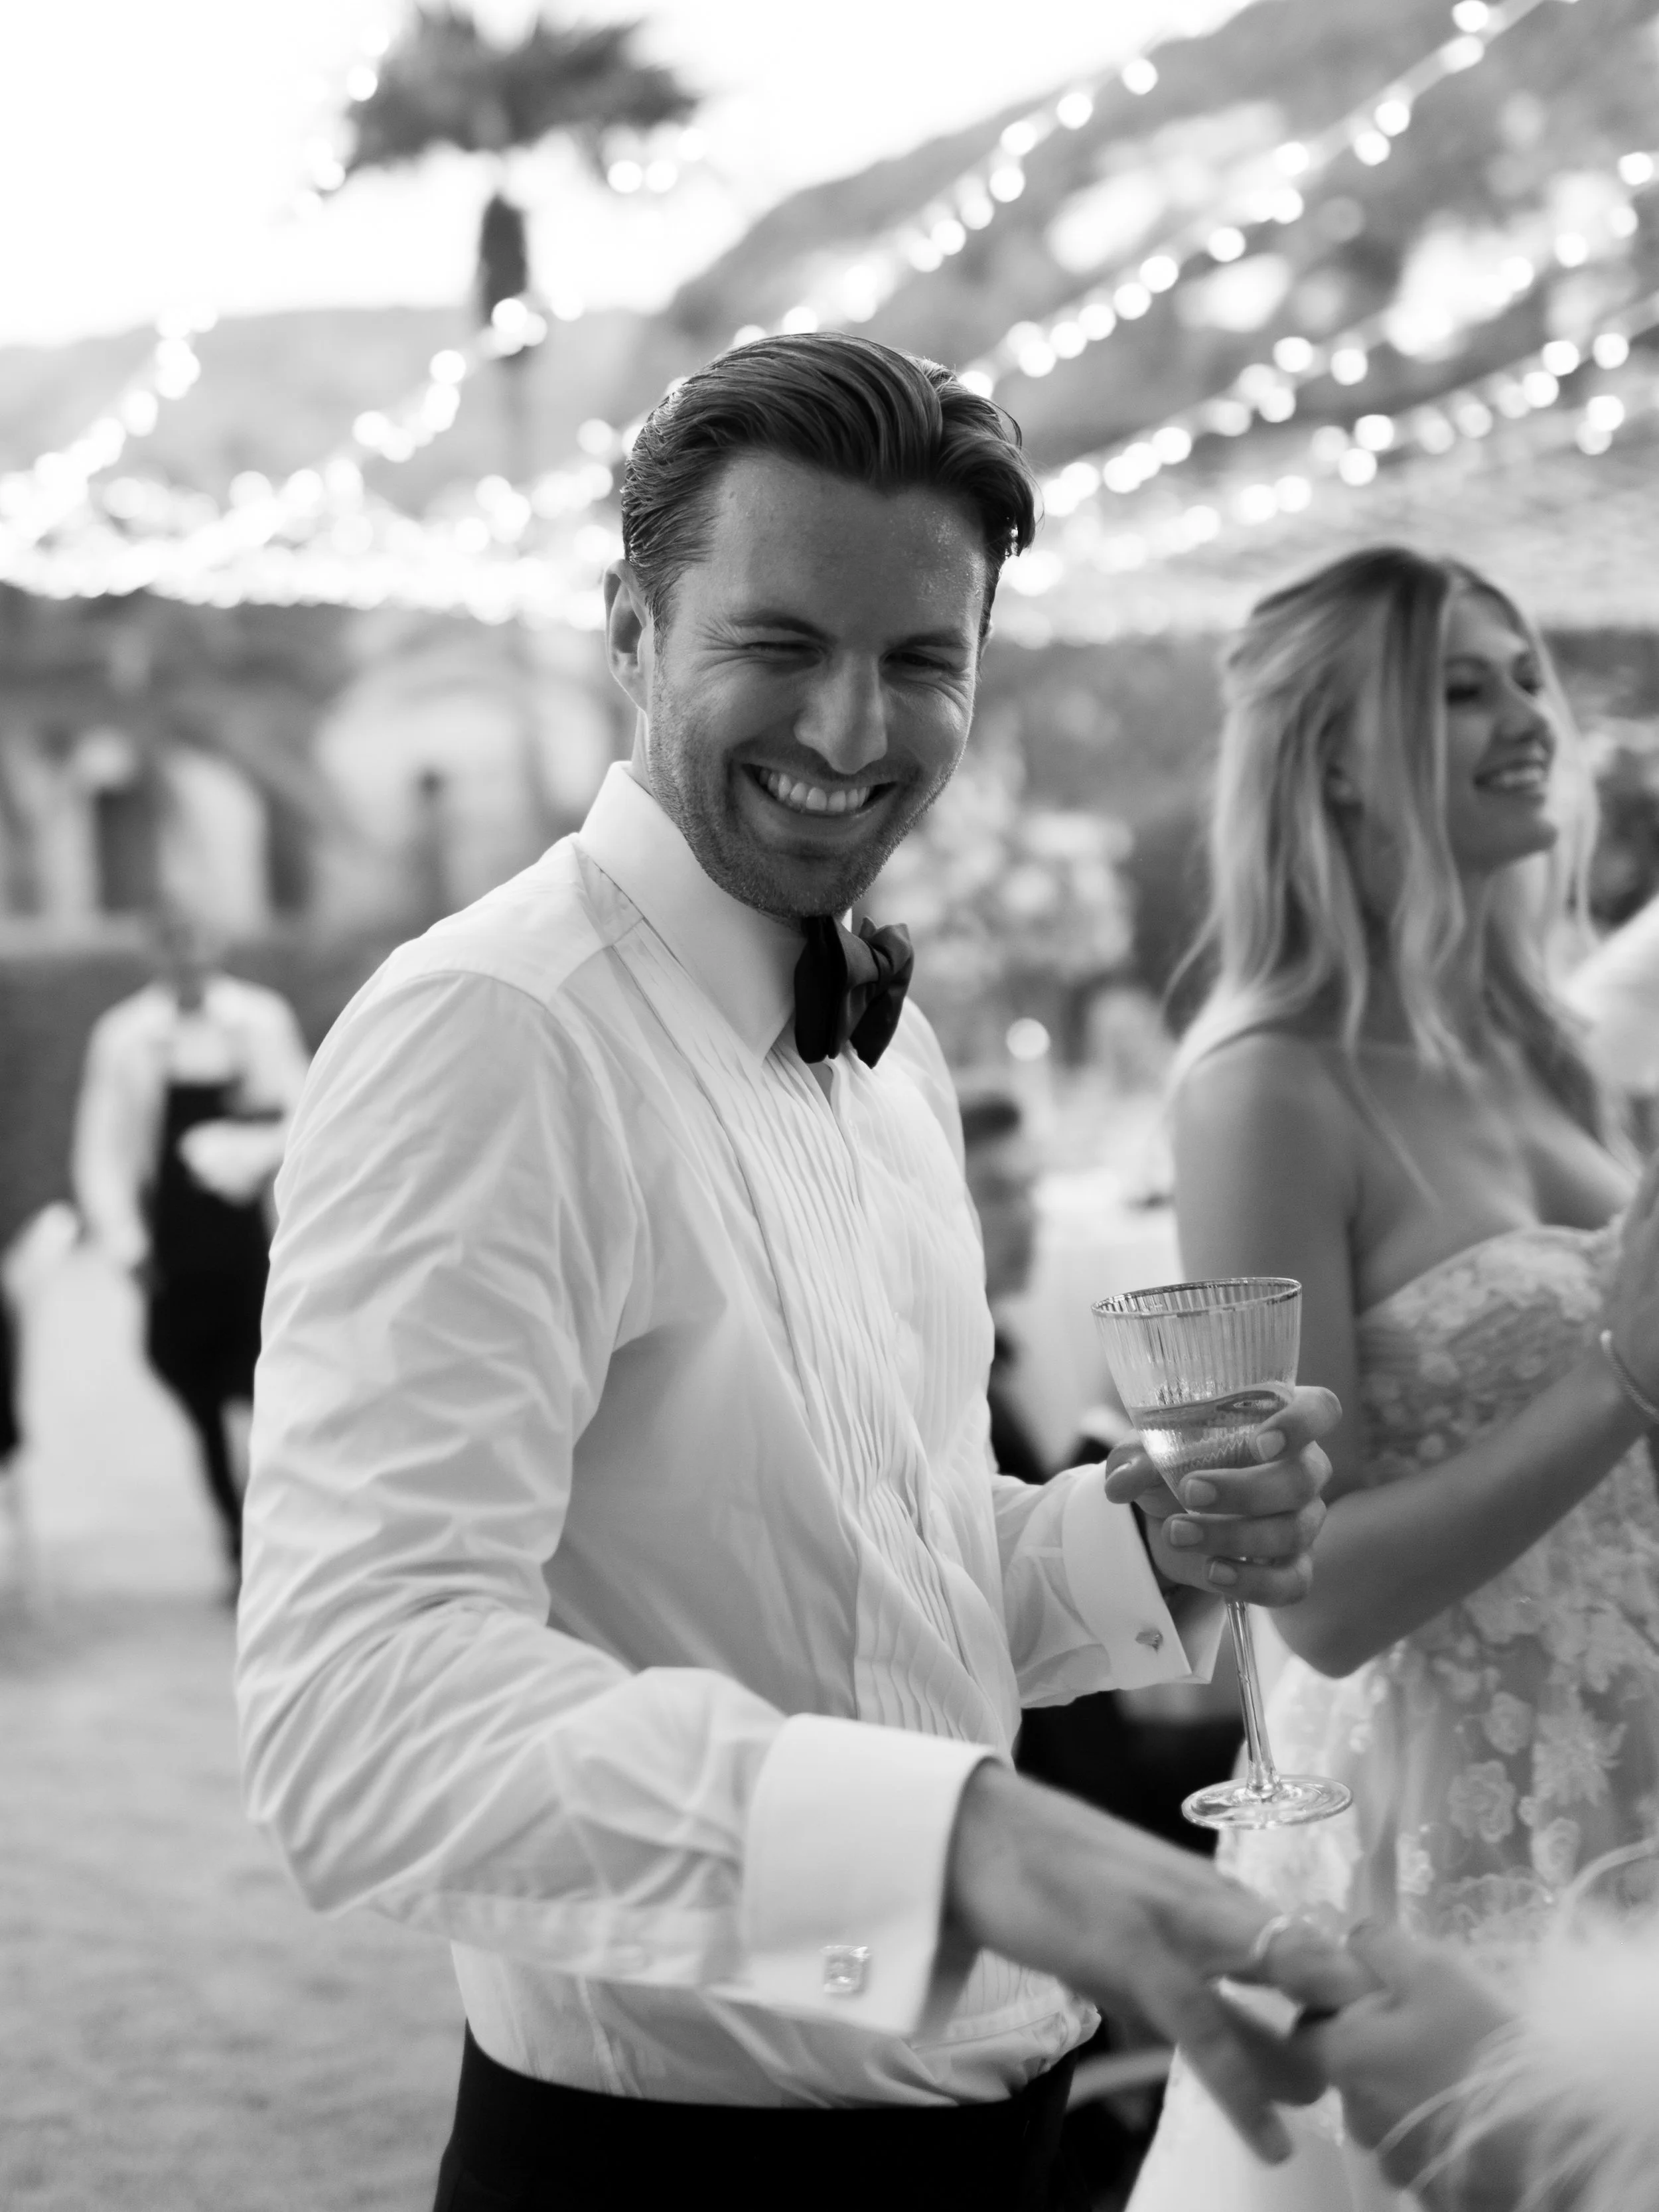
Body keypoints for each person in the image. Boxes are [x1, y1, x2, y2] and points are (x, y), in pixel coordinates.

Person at [235, 334, 1352, 2212]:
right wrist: (958, 1840)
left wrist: (1127, 1544)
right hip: (674, 2175)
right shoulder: (492, 1033)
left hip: (993, 2139)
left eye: (920, 662)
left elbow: (869, 1580)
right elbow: (358, 1707)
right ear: (633, 631)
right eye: (779, 644)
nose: (850, 729)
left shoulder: (889, 1054)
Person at [1126, 544, 1659, 2209]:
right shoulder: (1259, 1091)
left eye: (1524, 676)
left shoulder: (1551, 1047)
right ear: (1336, 759)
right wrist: (1620, 1381)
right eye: (1456, 687)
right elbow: (1310, 1593)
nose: (1526, 716)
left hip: (1630, 1760)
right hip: (1441, 1817)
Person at [72, 910, 311, 1584]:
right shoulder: (124, 1036)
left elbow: (304, 1116)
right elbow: (105, 1148)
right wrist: (126, 1243)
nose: (187, 960)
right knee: (195, 1387)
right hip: (176, 1241)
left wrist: (241, 1156)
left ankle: (277, 1539)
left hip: (250, 1240)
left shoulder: (261, 1021)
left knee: (267, 1390)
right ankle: (233, 1537)